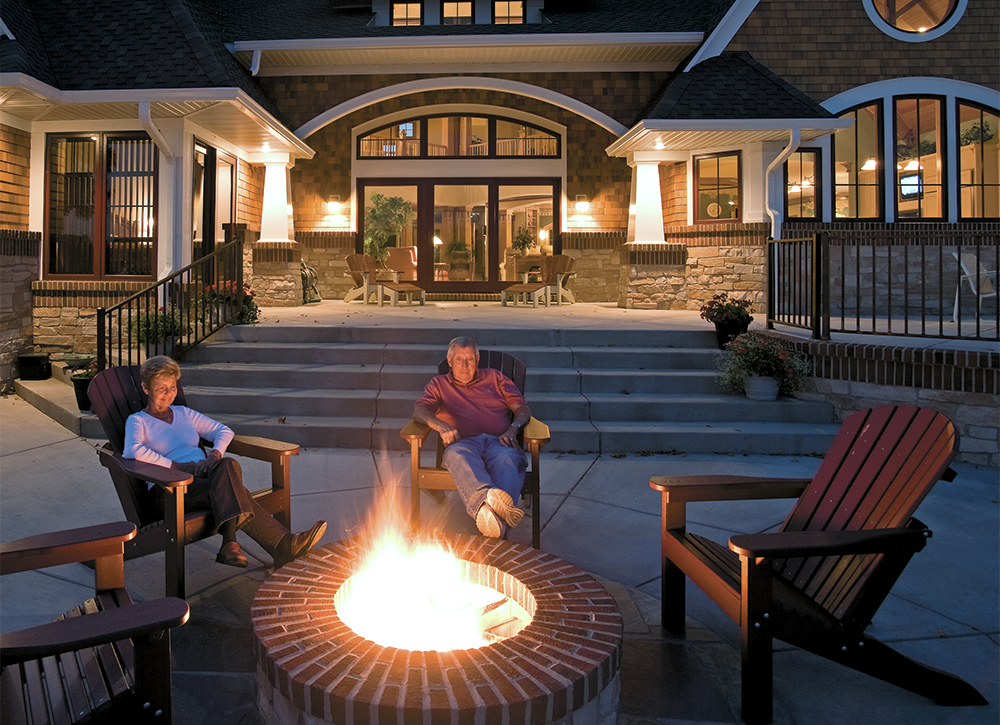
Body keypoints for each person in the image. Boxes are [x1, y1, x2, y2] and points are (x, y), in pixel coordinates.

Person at [124, 356, 326, 568]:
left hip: (203, 478)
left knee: (227, 464)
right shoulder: (138, 421)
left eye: (172, 387)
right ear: (146, 388)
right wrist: (176, 467)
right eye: (161, 388)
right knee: (235, 490)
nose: (169, 394)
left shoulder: (184, 413)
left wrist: (214, 455)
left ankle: (231, 545)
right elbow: (132, 450)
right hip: (169, 488)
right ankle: (280, 544)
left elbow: (223, 431)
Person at [413, 337, 531, 538]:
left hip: (499, 441)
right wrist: (440, 425)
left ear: (477, 360)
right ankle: (497, 522)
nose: (465, 365)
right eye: (459, 359)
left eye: (470, 359)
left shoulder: (495, 377)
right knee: (456, 455)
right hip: (464, 444)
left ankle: (489, 517)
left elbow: (522, 408)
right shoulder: (439, 384)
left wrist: (513, 428)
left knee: (508, 460)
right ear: (449, 361)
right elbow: (420, 410)